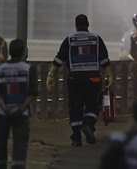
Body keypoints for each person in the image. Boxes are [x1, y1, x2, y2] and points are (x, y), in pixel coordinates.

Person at [46, 14, 113, 146]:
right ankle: (88, 124)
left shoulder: (69, 40)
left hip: (75, 79)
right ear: (88, 24)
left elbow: (59, 59)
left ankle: (76, 139)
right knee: (93, 105)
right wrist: (109, 75)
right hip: (93, 79)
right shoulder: (96, 39)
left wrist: (51, 75)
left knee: (75, 107)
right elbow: (104, 60)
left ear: (76, 25)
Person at [0, 39, 38, 169]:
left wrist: (6, 109)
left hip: (3, 114)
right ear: (23, 52)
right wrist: (20, 110)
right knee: (20, 144)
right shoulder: (29, 69)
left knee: (1, 143)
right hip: (22, 114)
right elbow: (33, 93)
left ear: (10, 52)